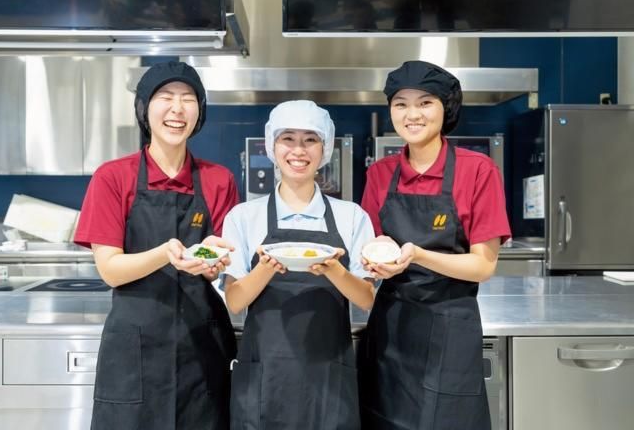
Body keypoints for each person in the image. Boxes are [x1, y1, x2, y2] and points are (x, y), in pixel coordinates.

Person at [74, 61, 238, 430]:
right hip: (134, 351)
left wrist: (213, 264)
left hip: (201, 349)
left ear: (199, 112)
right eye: (165, 97)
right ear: (144, 109)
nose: (177, 109)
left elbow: (221, 264)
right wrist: (166, 253)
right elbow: (110, 270)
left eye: (188, 99)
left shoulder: (219, 180)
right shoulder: (113, 177)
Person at [357, 61, 511, 430]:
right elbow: (372, 244)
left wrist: (418, 254)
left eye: (425, 103)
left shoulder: (478, 170)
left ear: (447, 108)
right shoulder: (379, 173)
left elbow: (483, 266)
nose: (412, 115)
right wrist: (375, 260)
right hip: (391, 328)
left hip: (450, 328)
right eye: (401, 104)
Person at [221, 100, 376, 430]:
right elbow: (234, 302)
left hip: (328, 380)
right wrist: (265, 268)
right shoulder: (243, 217)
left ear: (325, 148)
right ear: (272, 146)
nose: (298, 150)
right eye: (287, 138)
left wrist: (335, 271)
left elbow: (366, 299)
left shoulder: (352, 216)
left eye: (310, 140)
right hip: (264, 380)